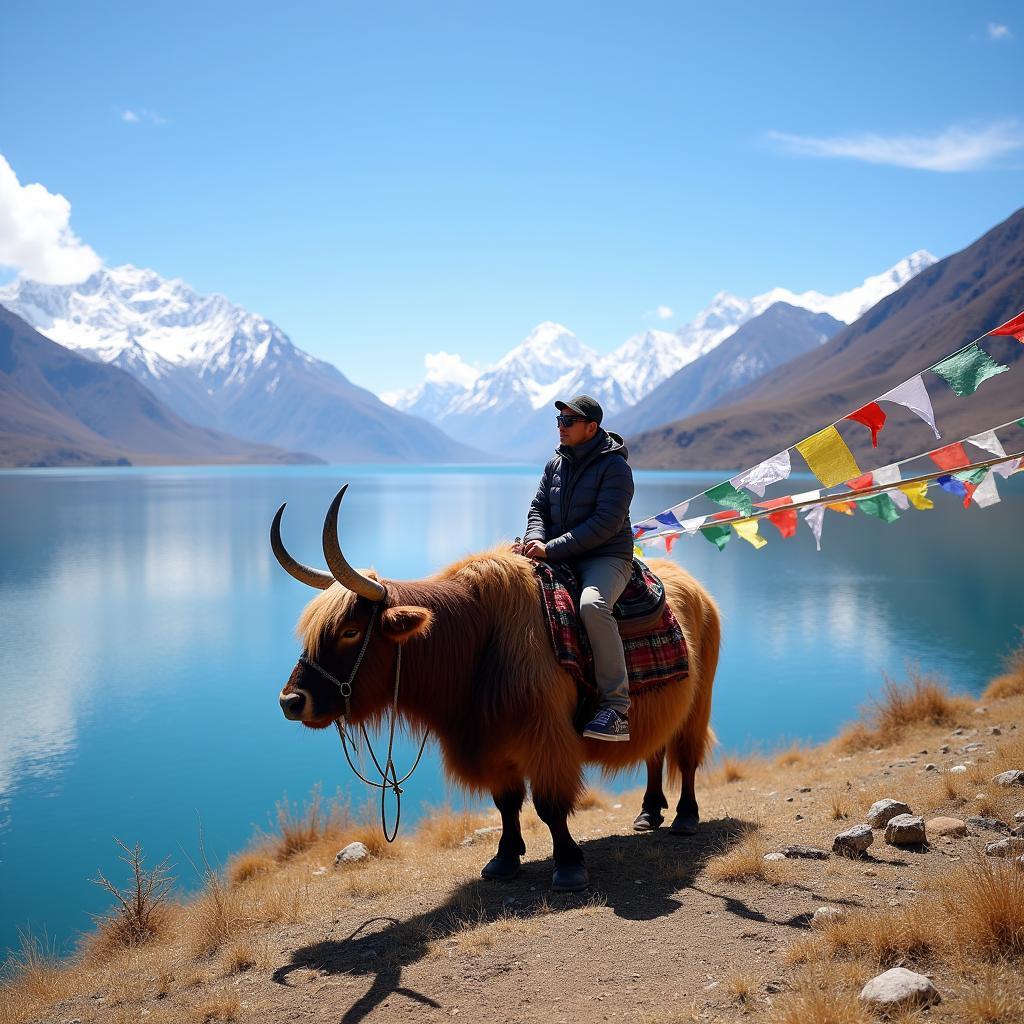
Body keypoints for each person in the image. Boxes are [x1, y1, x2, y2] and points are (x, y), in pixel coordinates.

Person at [522, 395, 635, 741]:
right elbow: (538, 508)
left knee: (592, 605)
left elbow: (605, 523)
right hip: (559, 553)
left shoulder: (615, 468)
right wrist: (533, 540)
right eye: (558, 421)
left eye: (569, 422)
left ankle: (616, 707)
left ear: (592, 427)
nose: (561, 427)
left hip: (606, 556)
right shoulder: (556, 464)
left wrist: (550, 549)